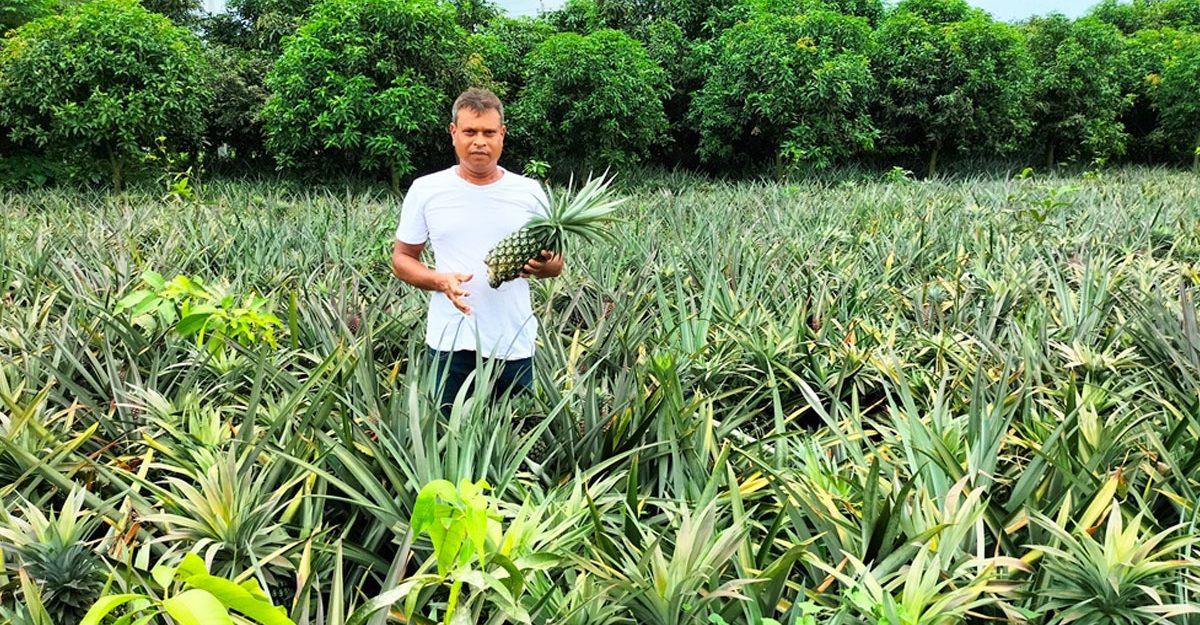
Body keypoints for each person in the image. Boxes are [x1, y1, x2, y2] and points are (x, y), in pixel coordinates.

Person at [391, 88, 563, 413]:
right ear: (454, 133)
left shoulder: (529, 192)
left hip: (514, 339)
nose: (479, 141)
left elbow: (556, 264)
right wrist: (440, 281)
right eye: (470, 131)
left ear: (502, 135)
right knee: (446, 440)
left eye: (488, 132)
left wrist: (542, 266)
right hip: (450, 341)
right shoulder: (426, 190)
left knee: (518, 438)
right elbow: (402, 259)